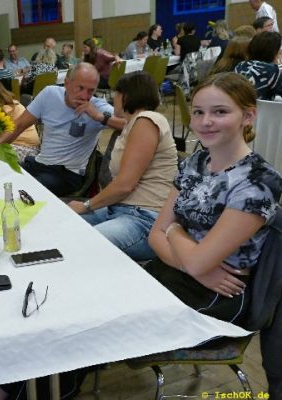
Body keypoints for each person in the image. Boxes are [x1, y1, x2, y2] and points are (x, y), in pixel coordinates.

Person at [145, 72, 281, 325]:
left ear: (248, 116)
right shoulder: (196, 162)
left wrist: (173, 230)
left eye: (220, 112)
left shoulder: (259, 180)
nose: (205, 121)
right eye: (198, 112)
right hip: (181, 272)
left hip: (217, 295)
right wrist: (193, 268)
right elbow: (155, 235)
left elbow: (179, 243)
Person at [68, 71, 177, 261]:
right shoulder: (132, 123)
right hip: (121, 209)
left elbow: (125, 185)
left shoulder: (146, 121)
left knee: (82, 243)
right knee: (64, 225)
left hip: (145, 219)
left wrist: (86, 205)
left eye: (116, 94)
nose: (113, 99)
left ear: (126, 95)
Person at [0, 63, 125, 196]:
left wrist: (100, 117)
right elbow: (19, 125)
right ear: (67, 83)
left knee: (23, 189)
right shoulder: (49, 94)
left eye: (90, 91)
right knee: (2, 179)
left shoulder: (97, 107)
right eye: (80, 88)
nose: (84, 96)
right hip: (40, 163)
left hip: (67, 174)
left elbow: (133, 124)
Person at [235, 31, 282, 100]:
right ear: (274, 52)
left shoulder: (240, 65)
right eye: (279, 49)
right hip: (257, 106)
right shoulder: (274, 71)